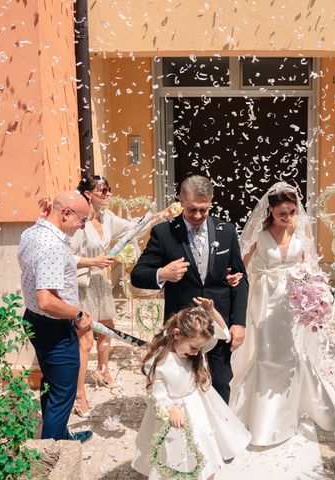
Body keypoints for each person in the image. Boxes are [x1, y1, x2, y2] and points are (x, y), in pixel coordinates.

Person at [229, 182, 335, 447]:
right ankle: (263, 418)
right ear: (269, 210)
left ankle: (292, 410)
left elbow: (309, 264)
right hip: (265, 302)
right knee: (268, 354)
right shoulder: (259, 236)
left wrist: (315, 296)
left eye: (292, 211)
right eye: (282, 212)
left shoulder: (301, 229)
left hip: (296, 303)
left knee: (295, 353)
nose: (288, 217)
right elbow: (240, 266)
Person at [131, 175, 249, 404]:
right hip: (181, 328)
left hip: (218, 322)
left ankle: (218, 432)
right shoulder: (163, 233)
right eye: (192, 209)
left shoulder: (227, 231)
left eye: (203, 210)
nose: (197, 216)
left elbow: (241, 278)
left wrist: (239, 323)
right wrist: (162, 274)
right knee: (181, 384)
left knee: (221, 381)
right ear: (181, 201)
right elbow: (137, 275)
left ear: (211, 202)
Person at [70, 175, 177, 417]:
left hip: (99, 281)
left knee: (108, 327)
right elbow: (67, 257)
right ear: (88, 194)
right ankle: (79, 396)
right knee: (84, 340)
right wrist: (93, 261)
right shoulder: (79, 222)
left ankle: (103, 370)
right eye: (103, 190)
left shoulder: (107, 218)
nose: (108, 194)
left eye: (109, 189)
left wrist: (161, 215)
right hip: (81, 283)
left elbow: (133, 228)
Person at [132, 298, 251, 479]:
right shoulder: (159, 362)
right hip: (174, 415)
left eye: (200, 348)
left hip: (197, 408)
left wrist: (211, 312)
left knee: (204, 448)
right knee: (176, 454)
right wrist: (170, 408)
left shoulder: (195, 347)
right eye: (194, 347)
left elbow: (223, 333)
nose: (196, 353)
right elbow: (156, 394)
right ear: (177, 334)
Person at [18, 191, 93, 442]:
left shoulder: (32, 233)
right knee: (63, 393)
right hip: (53, 326)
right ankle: (52, 452)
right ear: (66, 214)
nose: (81, 227)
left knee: (51, 383)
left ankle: (60, 434)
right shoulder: (51, 245)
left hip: (35, 319)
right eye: (81, 221)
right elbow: (47, 301)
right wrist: (78, 313)